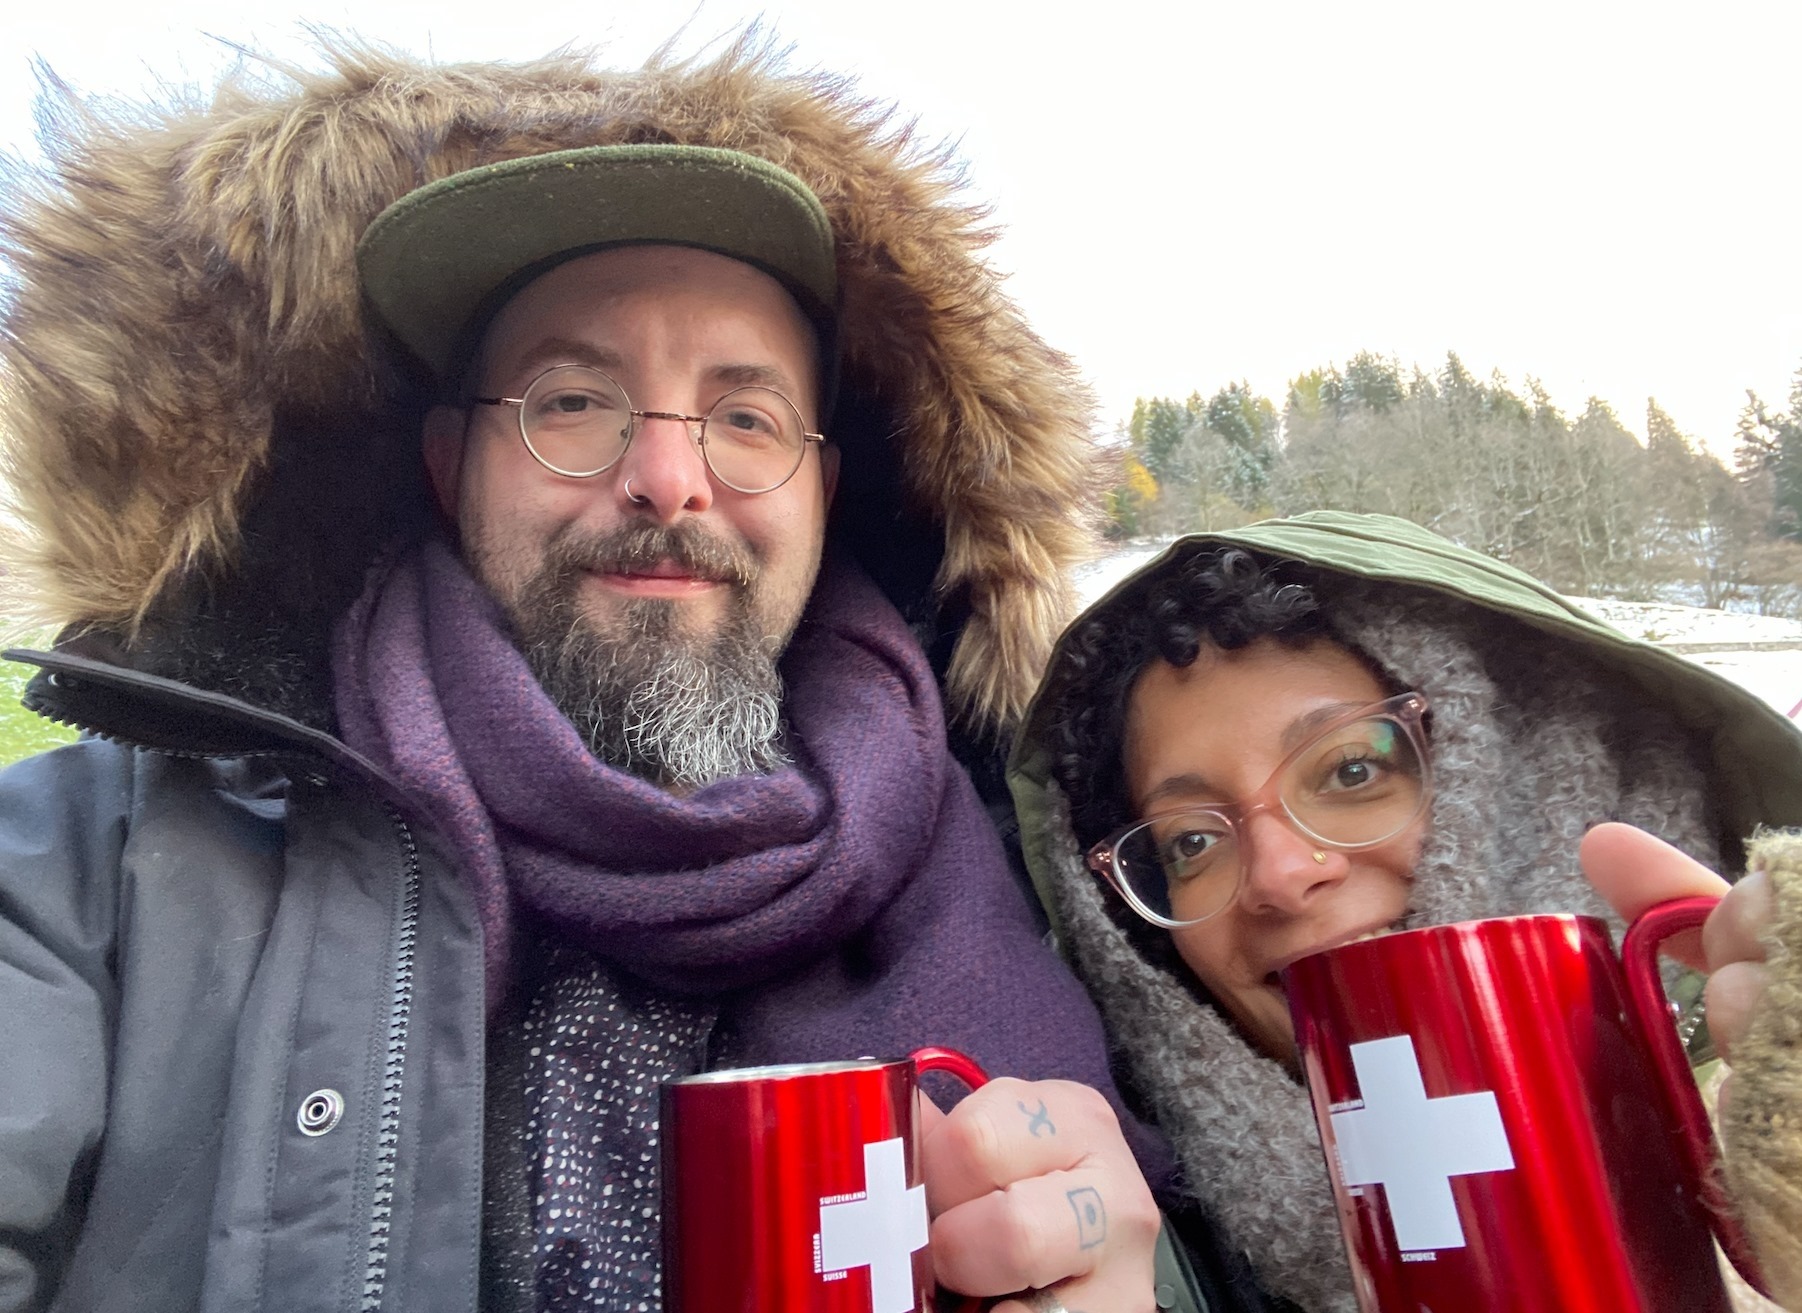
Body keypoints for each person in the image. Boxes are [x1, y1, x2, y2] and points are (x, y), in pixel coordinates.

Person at [0, 36, 1224, 1313]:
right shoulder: (89, 877)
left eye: (744, 418)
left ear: (825, 491)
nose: (668, 478)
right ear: (446, 470)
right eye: (573, 401)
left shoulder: (1066, 879)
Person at [1007, 510, 1802, 1312]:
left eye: (1352, 769)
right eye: (1189, 843)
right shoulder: (1133, 1243)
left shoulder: (1772, 1094)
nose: (1280, 875)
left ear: (1516, 770)